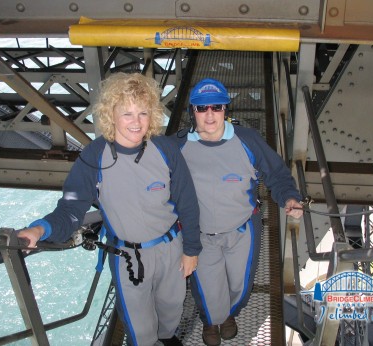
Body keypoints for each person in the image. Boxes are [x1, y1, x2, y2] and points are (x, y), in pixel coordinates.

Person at [18, 72, 202, 346]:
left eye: (142, 113)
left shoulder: (166, 150)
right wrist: (39, 229)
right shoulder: (95, 156)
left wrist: (191, 250)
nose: (136, 122)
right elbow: (71, 209)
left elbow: (188, 203)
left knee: (171, 311)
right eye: (127, 113)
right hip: (128, 257)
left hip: (171, 249)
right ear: (110, 115)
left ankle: (167, 338)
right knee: (140, 331)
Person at [173, 78, 303, 346]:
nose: (210, 115)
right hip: (200, 236)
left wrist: (288, 198)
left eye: (217, 107)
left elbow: (276, 174)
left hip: (243, 229)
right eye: (202, 108)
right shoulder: (176, 147)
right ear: (192, 113)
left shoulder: (248, 140)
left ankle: (230, 314)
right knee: (209, 288)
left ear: (225, 110)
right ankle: (211, 320)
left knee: (240, 286)